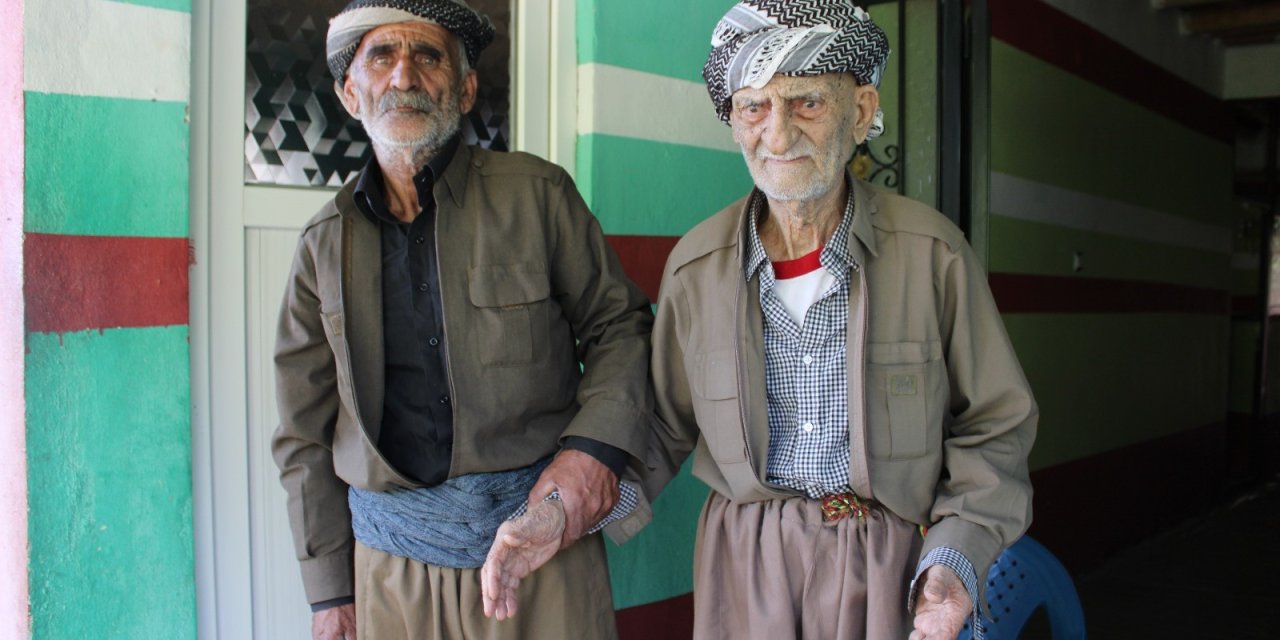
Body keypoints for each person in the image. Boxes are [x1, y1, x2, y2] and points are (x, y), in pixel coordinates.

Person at [481, 2, 1036, 639]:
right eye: (754, 107)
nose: (777, 136)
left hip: (891, 566)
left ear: (858, 112)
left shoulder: (934, 255)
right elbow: (658, 426)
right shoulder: (697, 266)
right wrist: (564, 510)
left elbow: (995, 426)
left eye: (805, 103)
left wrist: (953, 562)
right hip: (744, 568)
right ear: (734, 121)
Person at [271, 1, 655, 639]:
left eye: (428, 55)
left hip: (542, 550)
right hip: (391, 575)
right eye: (382, 57)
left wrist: (592, 458)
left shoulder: (538, 196)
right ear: (349, 92)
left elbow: (620, 328)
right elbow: (303, 433)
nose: (404, 76)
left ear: (467, 86)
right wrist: (328, 593)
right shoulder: (322, 245)